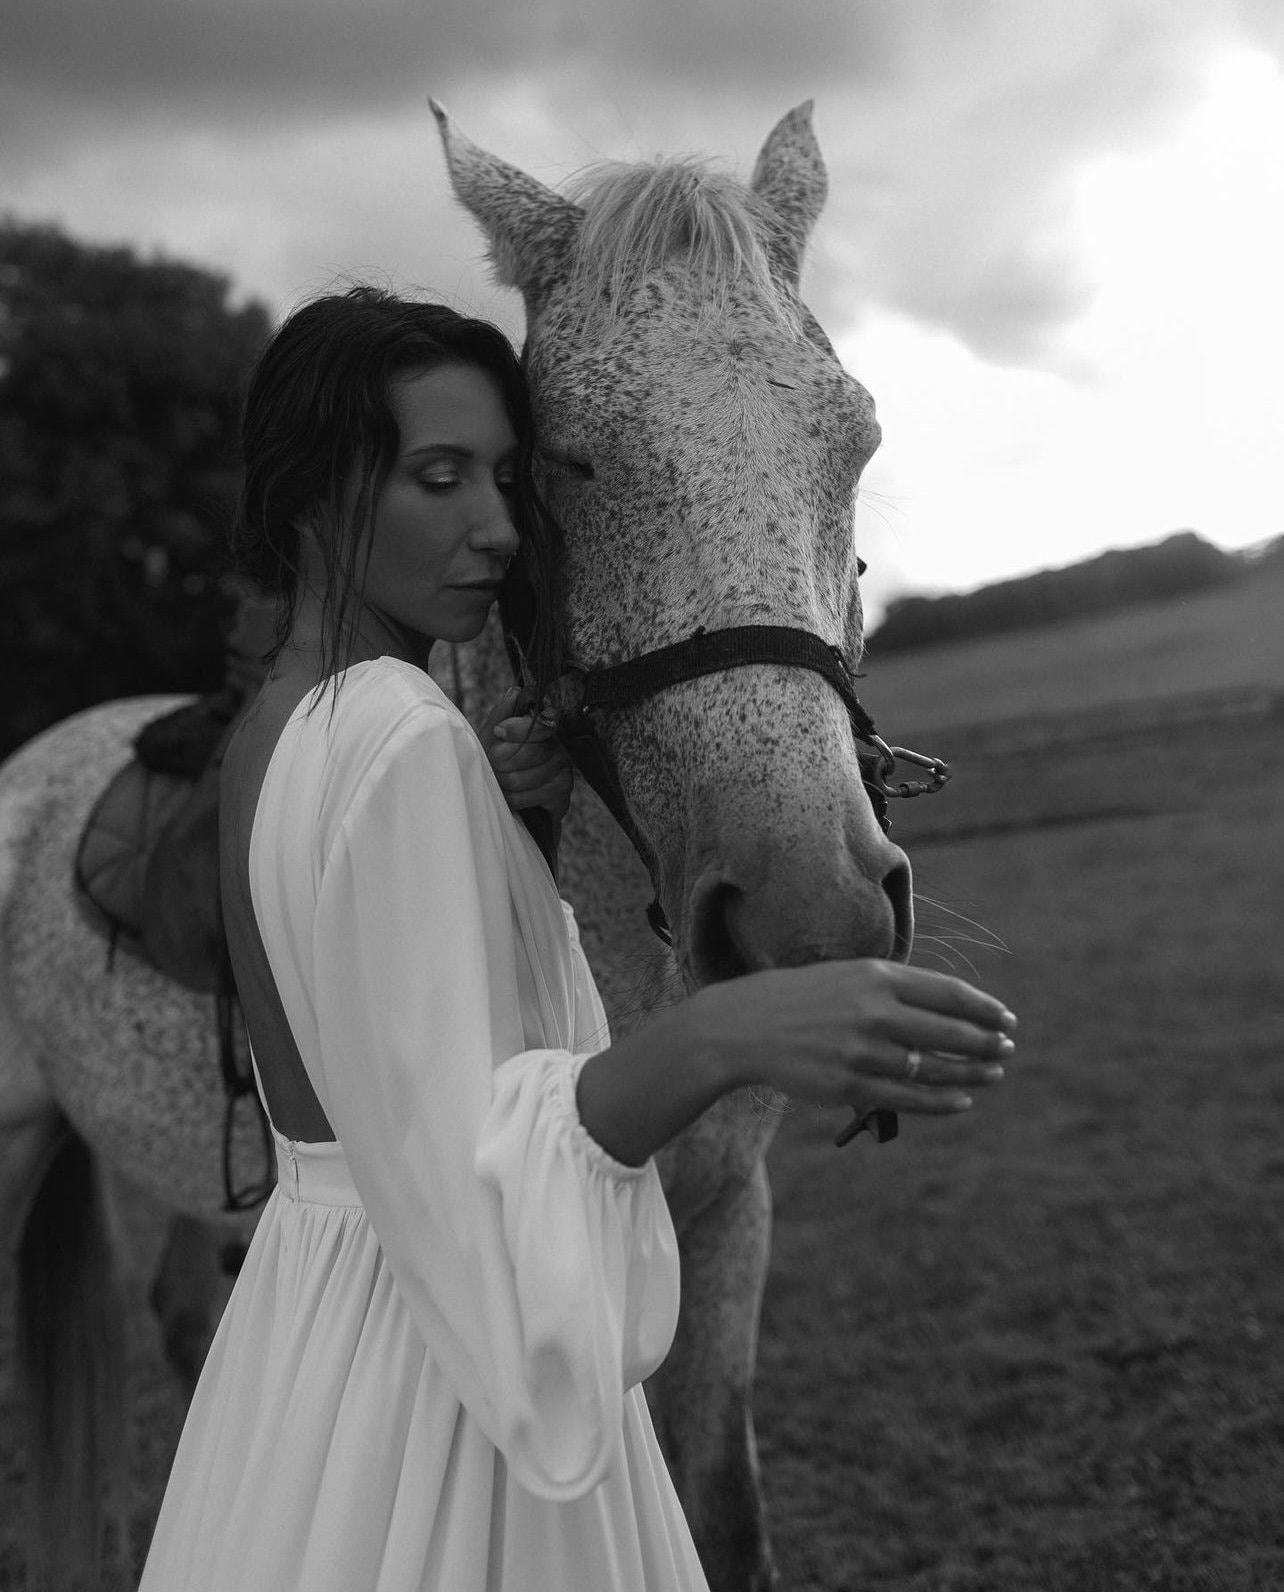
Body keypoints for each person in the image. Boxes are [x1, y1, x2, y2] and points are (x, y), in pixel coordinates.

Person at [139, 285, 1017, 1591]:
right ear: (315, 491)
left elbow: (355, 1072)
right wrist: (735, 1030)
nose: (498, 529)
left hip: (304, 1344)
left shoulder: (282, 721)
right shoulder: (401, 731)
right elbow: (483, 1170)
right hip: (429, 1389)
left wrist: (516, 832)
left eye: (505, 479)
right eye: (440, 479)